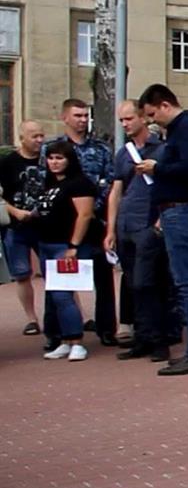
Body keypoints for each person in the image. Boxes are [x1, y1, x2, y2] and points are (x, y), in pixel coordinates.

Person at [136, 85, 188, 374]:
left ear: (164, 105)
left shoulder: (186, 130)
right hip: (183, 209)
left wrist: (157, 169)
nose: (151, 120)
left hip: (182, 209)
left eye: (152, 114)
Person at [105, 101, 174, 361]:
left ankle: (160, 340)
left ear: (143, 118)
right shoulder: (124, 153)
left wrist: (159, 222)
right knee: (134, 284)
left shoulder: (162, 149)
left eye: (129, 118)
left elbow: (171, 185)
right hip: (126, 226)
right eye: (121, 120)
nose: (125, 124)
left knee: (149, 282)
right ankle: (143, 337)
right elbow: (116, 191)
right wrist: (111, 229)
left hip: (148, 223)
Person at [46, 98, 117, 346]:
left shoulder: (100, 149)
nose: (83, 120)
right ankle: (56, 333)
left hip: (94, 220)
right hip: (62, 224)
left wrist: (102, 213)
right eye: (77, 116)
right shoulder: (53, 149)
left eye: (85, 116)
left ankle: (107, 329)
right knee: (58, 279)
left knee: (102, 276)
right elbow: (45, 184)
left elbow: (110, 183)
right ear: (65, 117)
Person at [32, 140, 94, 361]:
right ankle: (63, 340)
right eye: (51, 158)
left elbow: (85, 214)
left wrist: (73, 245)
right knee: (52, 295)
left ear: (69, 160)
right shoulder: (50, 183)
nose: (54, 163)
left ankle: (76, 341)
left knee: (63, 294)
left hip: (65, 245)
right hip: (46, 244)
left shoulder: (79, 183)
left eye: (59, 158)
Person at [1, 120, 46, 335]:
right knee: (21, 274)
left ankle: (76, 316)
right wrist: (15, 212)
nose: (39, 140)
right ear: (22, 138)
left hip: (45, 226)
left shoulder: (49, 159)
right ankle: (31, 318)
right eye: (34, 136)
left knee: (57, 272)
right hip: (16, 226)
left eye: (41, 135)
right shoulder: (8, 163)